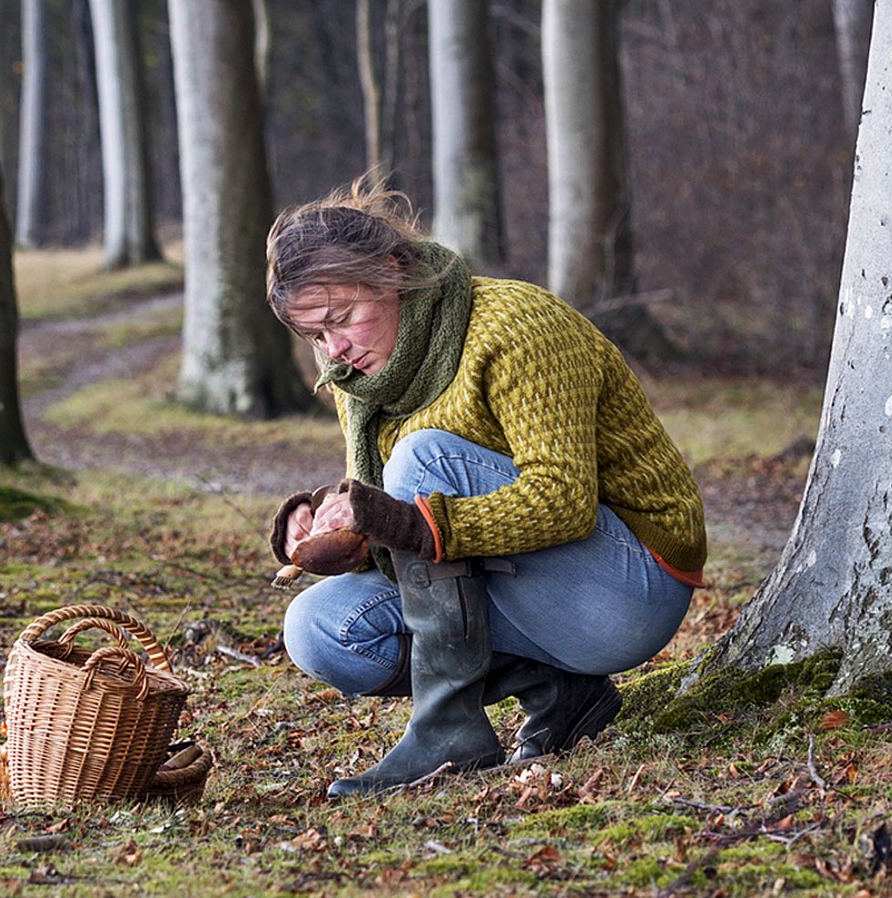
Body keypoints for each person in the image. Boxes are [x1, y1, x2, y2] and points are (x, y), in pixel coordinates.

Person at [266, 178, 706, 799]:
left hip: (628, 587)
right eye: (315, 335)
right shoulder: (358, 380)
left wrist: (403, 518)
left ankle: (448, 732)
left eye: (342, 319)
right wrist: (338, 530)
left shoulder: (512, 327)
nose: (334, 349)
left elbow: (563, 500)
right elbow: (409, 544)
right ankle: (561, 693)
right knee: (318, 628)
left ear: (391, 271)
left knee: (423, 456)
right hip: (517, 591)